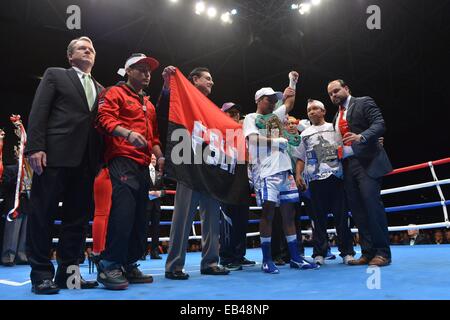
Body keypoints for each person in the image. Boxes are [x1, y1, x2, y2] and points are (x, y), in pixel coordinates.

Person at [25, 36, 102, 294]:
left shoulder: (102, 90)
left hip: (86, 163)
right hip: (53, 157)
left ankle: (68, 276)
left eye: (91, 49)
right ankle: (41, 275)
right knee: (42, 214)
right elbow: (39, 111)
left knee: (77, 221)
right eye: (82, 48)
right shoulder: (56, 75)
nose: (88, 51)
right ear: (70, 56)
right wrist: (35, 147)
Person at [95, 53, 164, 290]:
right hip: (121, 159)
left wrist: (161, 156)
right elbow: (103, 119)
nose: (147, 73)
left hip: (144, 164)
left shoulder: (150, 104)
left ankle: (129, 263)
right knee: (123, 213)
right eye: (141, 68)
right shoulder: (114, 93)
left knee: (139, 218)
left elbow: (153, 137)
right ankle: (109, 264)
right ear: (128, 71)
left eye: (149, 70)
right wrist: (126, 133)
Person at [244, 72, 319, 274]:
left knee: (289, 213)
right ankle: (267, 259)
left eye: (275, 100)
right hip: (266, 172)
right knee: (268, 213)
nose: (274, 103)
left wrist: (292, 82)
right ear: (260, 100)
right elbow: (251, 139)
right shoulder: (251, 118)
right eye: (270, 100)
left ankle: (295, 257)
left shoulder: (275, 117)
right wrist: (274, 142)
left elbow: (290, 103)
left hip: (285, 171)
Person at [162, 66, 230, 280]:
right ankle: (174, 265)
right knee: (182, 218)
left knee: (212, 219)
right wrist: (167, 84)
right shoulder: (181, 100)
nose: (212, 82)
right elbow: (165, 109)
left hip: (209, 170)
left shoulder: (212, 109)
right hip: (189, 168)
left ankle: (210, 262)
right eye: (207, 79)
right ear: (194, 80)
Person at [327, 79, 393, 267]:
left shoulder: (363, 102)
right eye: (331, 94)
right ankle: (367, 251)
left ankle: (383, 253)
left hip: (367, 163)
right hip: (348, 166)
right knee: (358, 211)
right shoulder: (336, 118)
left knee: (372, 207)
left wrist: (362, 137)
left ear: (346, 88)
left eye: (337, 90)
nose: (334, 95)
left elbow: (379, 124)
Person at [293, 99, 355, 265]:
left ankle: (347, 252)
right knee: (317, 219)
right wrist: (298, 175)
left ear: (323, 111)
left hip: (336, 177)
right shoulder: (304, 134)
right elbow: (300, 156)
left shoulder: (334, 128)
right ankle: (319, 252)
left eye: (315, 109)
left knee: (341, 217)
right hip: (314, 180)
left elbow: (347, 147)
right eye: (309, 110)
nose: (311, 112)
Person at [218, 102, 256, 271]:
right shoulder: (218, 132)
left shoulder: (243, 132)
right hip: (227, 179)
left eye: (236, 113)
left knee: (242, 219)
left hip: (244, 176)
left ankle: (239, 255)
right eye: (230, 113)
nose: (235, 116)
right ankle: (226, 257)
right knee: (228, 220)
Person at [147, 153, 165, 260]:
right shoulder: (144, 173)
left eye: (155, 158)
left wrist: (158, 193)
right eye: (152, 158)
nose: (154, 159)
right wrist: (149, 194)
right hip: (146, 204)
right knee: (143, 228)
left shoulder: (159, 174)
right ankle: (142, 252)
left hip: (156, 206)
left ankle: (154, 252)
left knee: (156, 229)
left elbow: (164, 190)